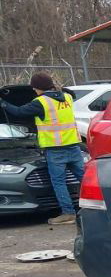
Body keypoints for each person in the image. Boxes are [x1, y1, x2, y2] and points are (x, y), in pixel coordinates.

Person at [0, 71, 84, 225]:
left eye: (34, 88)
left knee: (59, 182)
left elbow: (19, 112)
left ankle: (68, 213)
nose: (33, 90)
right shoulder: (67, 98)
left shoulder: (41, 102)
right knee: (84, 179)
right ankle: (100, 207)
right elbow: (68, 94)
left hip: (55, 149)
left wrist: (3, 103)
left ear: (39, 88)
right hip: (74, 146)